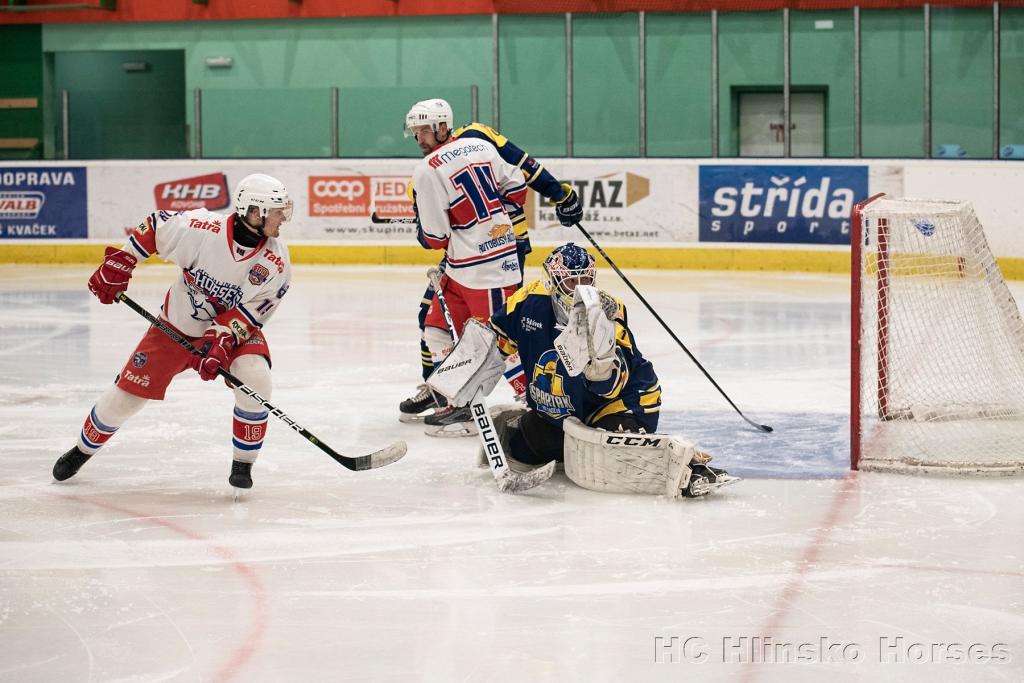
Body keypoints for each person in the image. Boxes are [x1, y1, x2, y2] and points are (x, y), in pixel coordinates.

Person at [428, 242, 737, 496]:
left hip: (621, 403)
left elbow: (609, 388)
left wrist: (598, 365)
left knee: (612, 455)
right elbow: (499, 338)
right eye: (570, 281)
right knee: (525, 449)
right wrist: (471, 363)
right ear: (552, 281)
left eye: (585, 280)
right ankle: (574, 442)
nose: (578, 288)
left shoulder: (605, 315)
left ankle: (690, 465)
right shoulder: (528, 300)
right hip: (564, 406)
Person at [52, 174, 294, 491]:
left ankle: (242, 466)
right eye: (277, 211)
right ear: (254, 212)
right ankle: (81, 451)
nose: (283, 218)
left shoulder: (277, 261)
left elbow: (254, 312)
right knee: (123, 401)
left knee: (255, 377)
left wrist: (222, 340)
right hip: (175, 326)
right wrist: (123, 261)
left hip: (233, 333)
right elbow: (156, 226)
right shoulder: (201, 229)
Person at [397, 98, 584, 431]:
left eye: (424, 130)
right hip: (463, 266)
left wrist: (424, 230)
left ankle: (541, 407)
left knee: (503, 336)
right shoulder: (475, 145)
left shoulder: (426, 170)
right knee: (436, 327)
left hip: (489, 267)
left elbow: (435, 239)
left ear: (443, 126)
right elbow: (517, 183)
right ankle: (454, 397)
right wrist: (496, 218)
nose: (419, 139)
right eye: (415, 132)